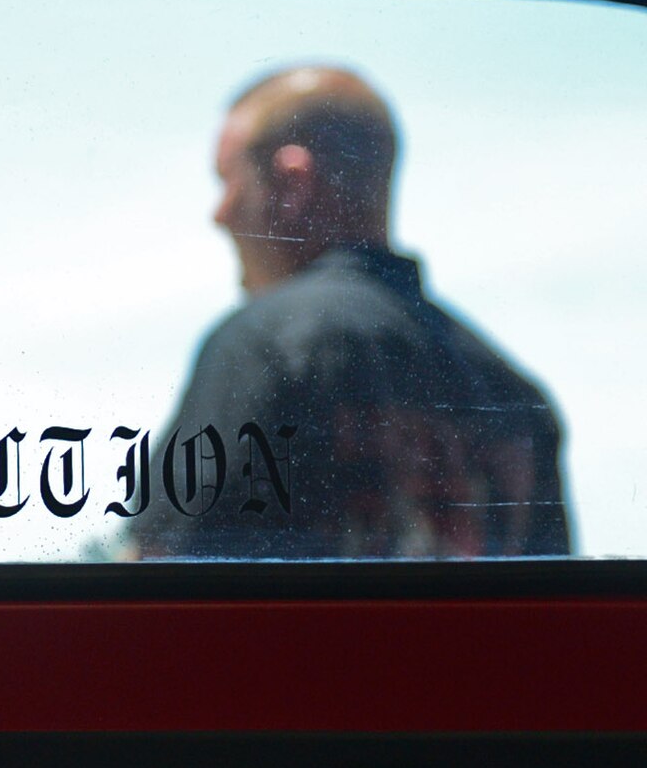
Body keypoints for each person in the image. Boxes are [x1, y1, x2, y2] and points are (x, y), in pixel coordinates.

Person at [130, 65, 570, 559]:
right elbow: (553, 623)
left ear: (292, 182)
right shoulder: (516, 398)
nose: (220, 213)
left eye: (228, 181)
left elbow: (156, 584)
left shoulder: (263, 345)